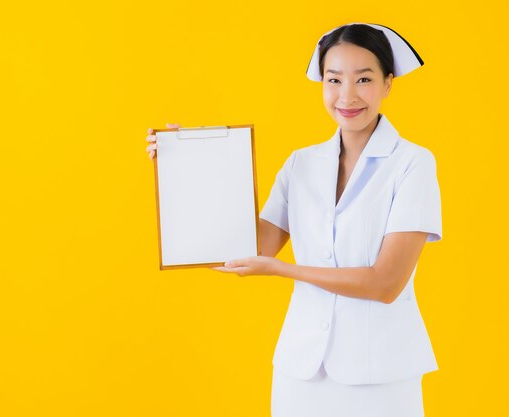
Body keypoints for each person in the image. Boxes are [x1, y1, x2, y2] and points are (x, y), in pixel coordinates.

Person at [145, 22, 442, 417]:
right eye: (334, 79)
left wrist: (285, 271)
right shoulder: (302, 164)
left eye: (364, 79)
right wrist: (189, 164)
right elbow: (246, 251)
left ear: (388, 83)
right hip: (300, 375)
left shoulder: (412, 164)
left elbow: (386, 283)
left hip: (380, 376)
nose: (347, 95)